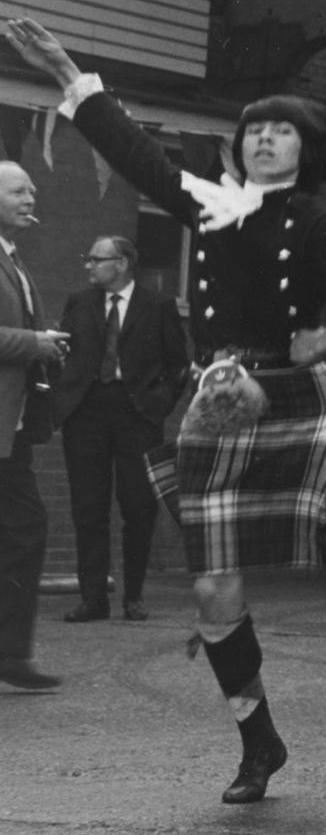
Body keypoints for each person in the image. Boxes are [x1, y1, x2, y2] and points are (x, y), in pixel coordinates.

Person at [3, 16, 326, 797]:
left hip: (300, 401)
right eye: (255, 130)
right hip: (221, 407)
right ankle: (259, 742)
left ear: (306, 152)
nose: (265, 139)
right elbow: (132, 150)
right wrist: (67, 69)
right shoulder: (209, 204)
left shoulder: (311, 218)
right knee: (214, 588)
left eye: (282, 132)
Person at [51, 234, 185, 623]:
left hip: (138, 415)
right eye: (88, 259)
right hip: (86, 413)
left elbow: (178, 363)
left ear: (122, 263)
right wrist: (65, 394)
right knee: (88, 507)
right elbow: (65, 352)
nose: (88, 265)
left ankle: (134, 597)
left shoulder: (158, 306)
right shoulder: (79, 302)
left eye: (97, 259)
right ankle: (93, 599)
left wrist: (159, 405)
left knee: (138, 506)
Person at [0, 160, 66, 692]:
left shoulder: (12, 257)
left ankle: (12, 654)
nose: (32, 196)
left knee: (23, 530)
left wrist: (46, 341)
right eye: (19, 190)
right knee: (23, 529)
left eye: (31, 189)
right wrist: (33, 343)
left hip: (11, 432)